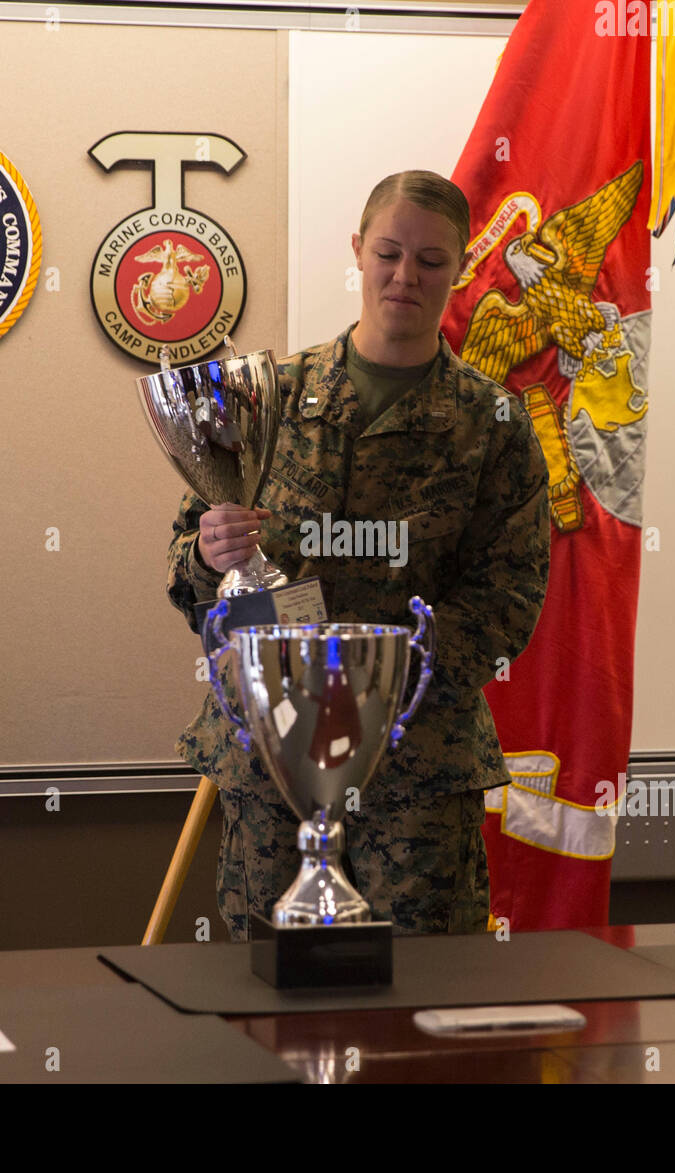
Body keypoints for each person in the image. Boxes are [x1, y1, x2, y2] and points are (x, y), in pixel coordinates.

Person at [166, 170, 550, 941]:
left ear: (461, 267)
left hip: (413, 763)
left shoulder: (492, 423)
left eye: (432, 261)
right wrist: (209, 553)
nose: (406, 276)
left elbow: (510, 595)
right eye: (388, 252)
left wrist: (381, 682)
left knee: (418, 1001)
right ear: (358, 251)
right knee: (260, 998)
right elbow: (188, 567)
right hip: (269, 754)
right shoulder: (267, 394)